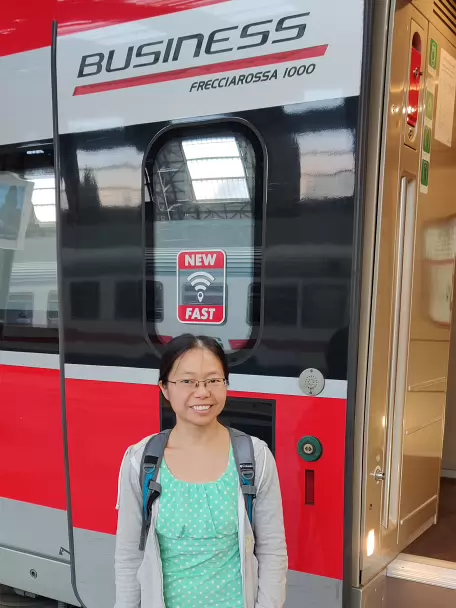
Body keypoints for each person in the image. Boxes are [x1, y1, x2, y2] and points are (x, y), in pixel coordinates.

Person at [114, 334, 287, 608]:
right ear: (164, 388)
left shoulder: (255, 457)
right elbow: (128, 557)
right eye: (188, 381)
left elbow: (272, 551)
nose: (202, 392)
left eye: (213, 380)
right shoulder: (141, 461)